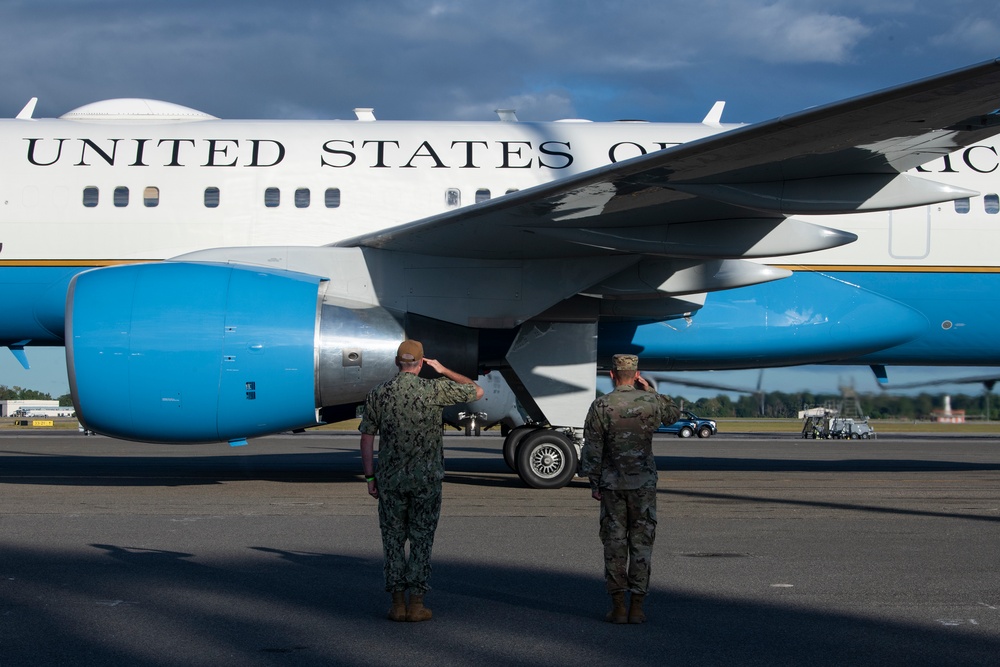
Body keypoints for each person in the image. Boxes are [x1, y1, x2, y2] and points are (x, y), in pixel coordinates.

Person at [359, 339, 483, 622]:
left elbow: (367, 438)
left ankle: (397, 604)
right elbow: (476, 390)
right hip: (425, 480)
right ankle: (416, 605)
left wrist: (369, 477)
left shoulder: (379, 393)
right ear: (422, 362)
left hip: (391, 480)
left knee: (392, 539)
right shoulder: (433, 389)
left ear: (396, 362)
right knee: (421, 539)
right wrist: (443, 370)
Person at [580, 354, 679, 624]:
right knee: (641, 544)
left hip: (612, 486)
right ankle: (637, 607)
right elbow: (674, 415)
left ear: (612, 374)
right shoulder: (650, 402)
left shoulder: (601, 405)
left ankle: (618, 607)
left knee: (614, 545)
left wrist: (594, 483)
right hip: (643, 486)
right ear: (637, 375)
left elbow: (592, 449)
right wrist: (651, 391)